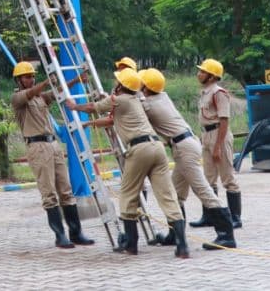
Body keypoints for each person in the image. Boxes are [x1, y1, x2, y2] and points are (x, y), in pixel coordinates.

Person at [69, 68, 189, 258]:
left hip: (139, 149)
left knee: (127, 195)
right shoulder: (136, 100)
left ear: (122, 85)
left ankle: (131, 244)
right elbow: (112, 120)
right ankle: (182, 246)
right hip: (156, 147)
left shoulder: (120, 100)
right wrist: (90, 124)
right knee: (167, 196)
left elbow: (94, 107)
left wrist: (74, 107)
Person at [138, 68, 236, 250]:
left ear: (146, 87)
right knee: (176, 194)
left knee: (203, 190)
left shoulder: (149, 105)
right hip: (186, 144)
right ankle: (174, 234)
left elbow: (132, 108)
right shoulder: (163, 96)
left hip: (184, 148)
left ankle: (226, 235)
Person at [9, 60, 94, 249]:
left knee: (66, 189)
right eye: (26, 77)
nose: (30, 79)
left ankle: (76, 232)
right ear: (19, 80)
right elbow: (31, 93)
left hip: (52, 144)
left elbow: (56, 94)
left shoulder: (40, 97)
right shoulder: (18, 98)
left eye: (32, 76)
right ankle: (60, 235)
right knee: (49, 192)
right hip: (37, 146)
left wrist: (76, 80)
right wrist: (47, 82)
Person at [197, 57, 243, 229]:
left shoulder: (219, 93)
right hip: (207, 134)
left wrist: (217, 146)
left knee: (227, 177)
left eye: (202, 72)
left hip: (219, 135)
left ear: (211, 76)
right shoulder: (205, 92)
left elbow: (224, 120)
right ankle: (209, 215)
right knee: (208, 179)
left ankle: (235, 217)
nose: (198, 74)